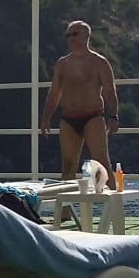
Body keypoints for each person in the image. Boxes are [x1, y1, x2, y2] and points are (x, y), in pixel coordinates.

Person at [42, 20, 119, 181]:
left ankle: (113, 196)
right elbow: (54, 92)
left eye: (75, 34)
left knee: (101, 162)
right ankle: (66, 198)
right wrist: (46, 117)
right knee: (68, 165)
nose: (71, 38)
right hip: (68, 118)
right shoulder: (62, 64)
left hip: (93, 116)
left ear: (87, 36)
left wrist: (112, 116)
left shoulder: (99, 62)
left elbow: (109, 91)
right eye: (68, 35)